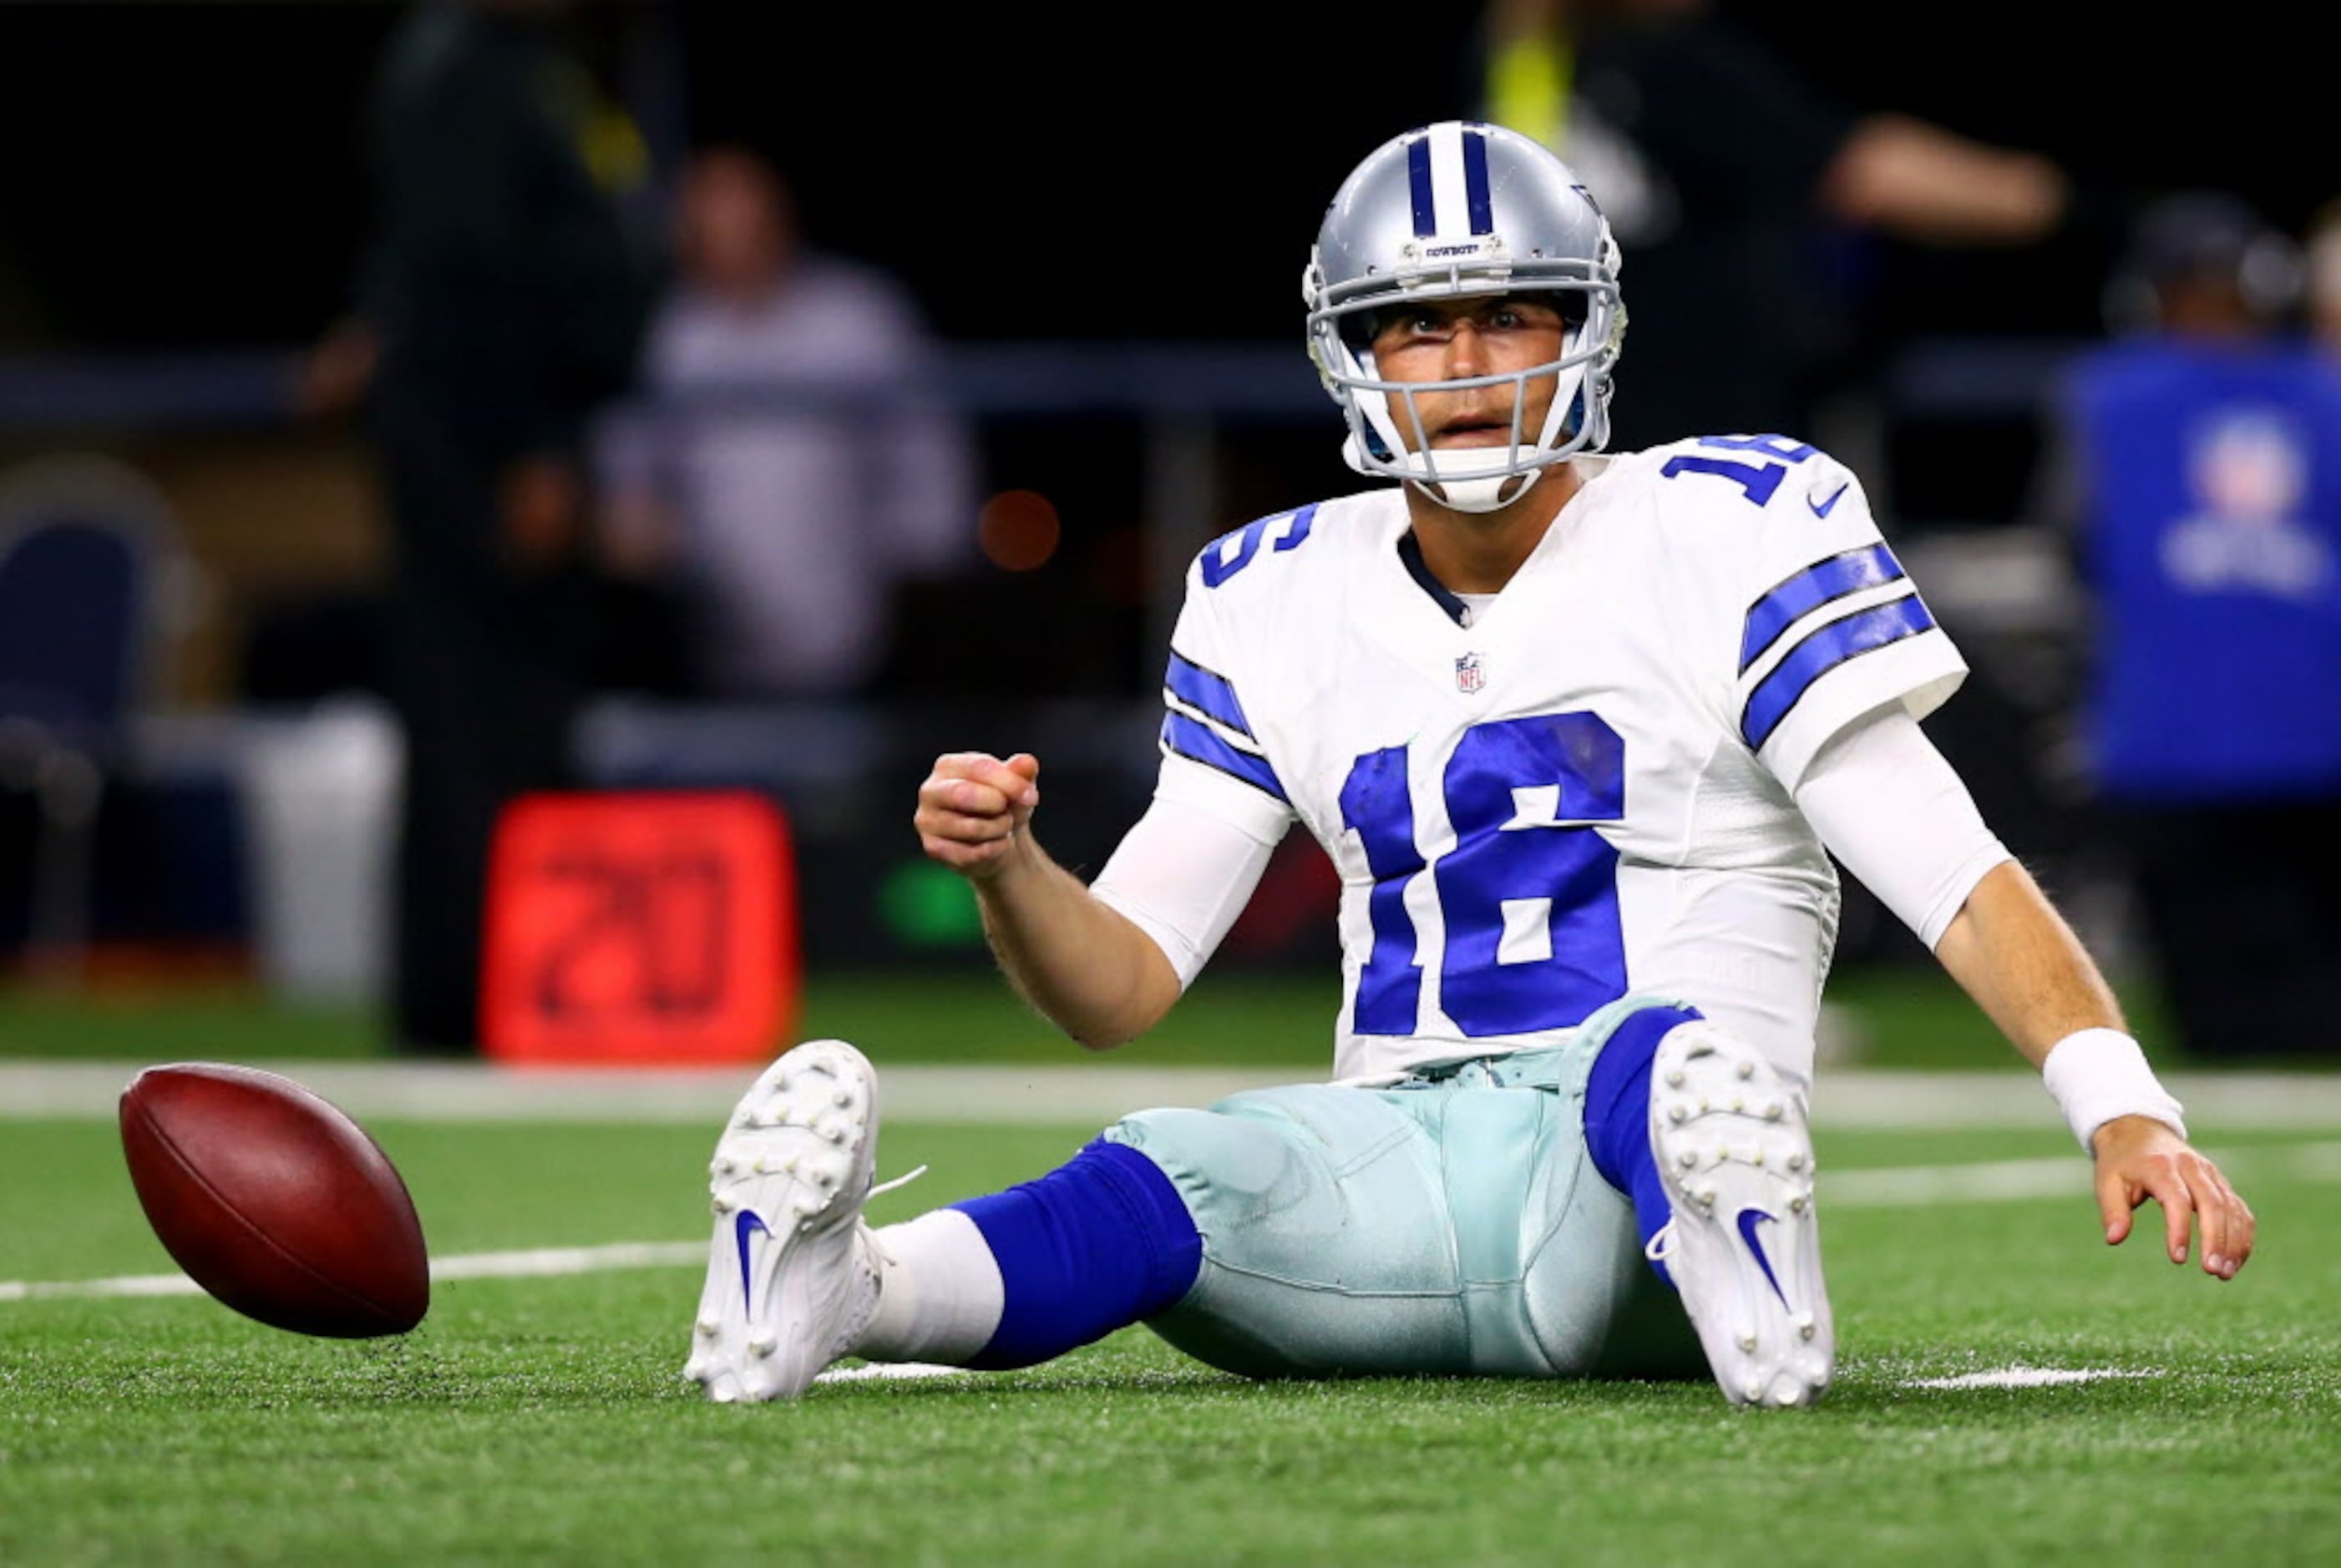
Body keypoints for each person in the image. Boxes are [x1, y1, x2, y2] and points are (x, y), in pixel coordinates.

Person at [683, 124, 2253, 1410]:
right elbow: (1122, 986)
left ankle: (1735, 1241)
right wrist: (1012, 873)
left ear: (1586, 329)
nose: (1464, 359)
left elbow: (1949, 867)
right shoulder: (1268, 587)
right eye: (1416, 323)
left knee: (1664, 1060)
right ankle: (847, 1288)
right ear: (1350, 353)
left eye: (1509, 312)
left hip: (1627, 1182)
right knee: (1166, 1169)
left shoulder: (1728, 524)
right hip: (1396, 1164)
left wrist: (2119, 1103)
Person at [302, 0, 655, 1051]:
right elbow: (470, 267)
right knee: (480, 720)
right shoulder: (461, 64)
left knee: (505, 715)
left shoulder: (517, 64)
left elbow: (432, 243)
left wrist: (373, 323)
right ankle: (473, 999)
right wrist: (533, 445)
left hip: (494, 424)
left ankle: (513, 985)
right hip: (487, 438)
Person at [1478, 0, 2074, 451]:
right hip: (1700, 431)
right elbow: (1864, 175)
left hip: (1565, 435)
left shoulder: (1517, 71)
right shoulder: (1665, 63)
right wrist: (2050, 197)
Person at [2056, 191, 2341, 1060]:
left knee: (2214, 1035)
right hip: (2312, 743)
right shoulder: (2326, 395)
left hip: (2167, 743)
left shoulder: (2104, 397)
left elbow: (2073, 543)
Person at [595, 145, 976, 701]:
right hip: (712, 645)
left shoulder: (857, 317)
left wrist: (923, 590)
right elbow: (628, 477)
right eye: (708, 213)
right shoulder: (675, 334)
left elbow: (929, 472)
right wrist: (638, 524)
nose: (728, 230)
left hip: (860, 639)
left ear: (777, 211)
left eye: (741, 206)